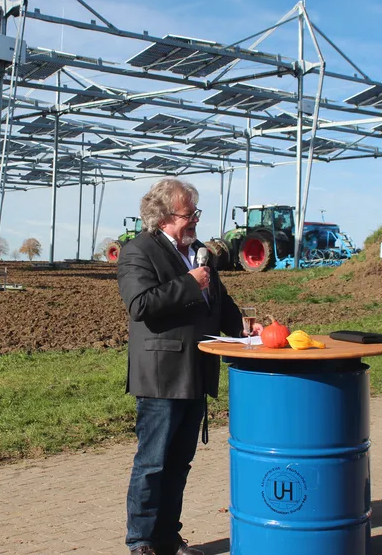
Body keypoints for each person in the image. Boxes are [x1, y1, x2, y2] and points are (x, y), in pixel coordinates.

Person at [117, 178, 261, 555]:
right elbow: (140, 305)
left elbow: (220, 302)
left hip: (197, 371)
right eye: (188, 214)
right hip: (161, 376)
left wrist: (244, 328)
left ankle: (167, 537)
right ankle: (141, 542)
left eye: (196, 213)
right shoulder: (138, 251)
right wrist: (189, 283)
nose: (195, 220)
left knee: (179, 463)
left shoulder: (200, 252)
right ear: (163, 217)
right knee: (153, 463)